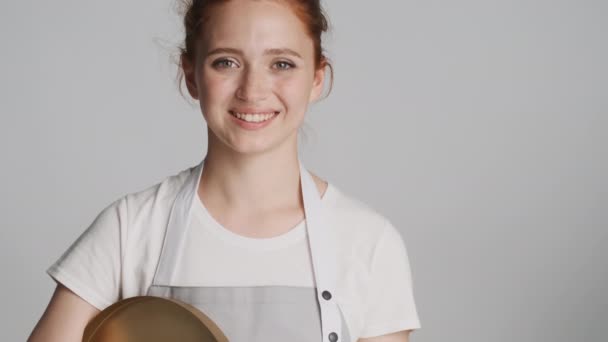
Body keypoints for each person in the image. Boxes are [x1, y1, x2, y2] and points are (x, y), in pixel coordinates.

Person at [27, 0, 421, 341]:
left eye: (281, 63)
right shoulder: (130, 228)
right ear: (191, 74)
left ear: (316, 79)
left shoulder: (368, 242)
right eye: (226, 62)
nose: (253, 90)